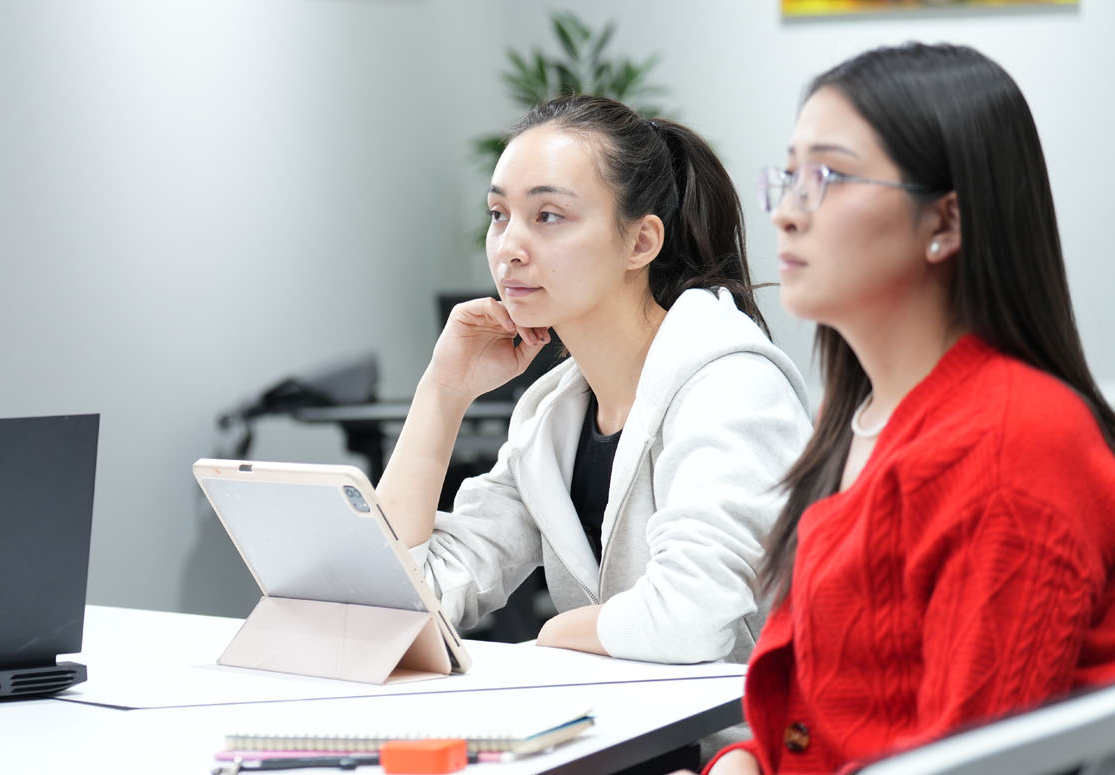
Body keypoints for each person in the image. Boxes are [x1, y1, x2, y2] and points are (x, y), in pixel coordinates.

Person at [703, 44, 1115, 774]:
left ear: (946, 221)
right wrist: (743, 761)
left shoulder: (1015, 441)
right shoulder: (858, 414)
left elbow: (972, 766)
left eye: (827, 177)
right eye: (790, 176)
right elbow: (831, 709)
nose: (787, 214)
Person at [376, 94, 811, 669]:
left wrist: (554, 633)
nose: (508, 250)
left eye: (548, 216)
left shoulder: (731, 386)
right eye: (499, 214)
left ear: (641, 243)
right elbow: (399, 605)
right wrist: (442, 392)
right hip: (629, 720)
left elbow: (688, 621)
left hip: (752, 724)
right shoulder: (551, 415)